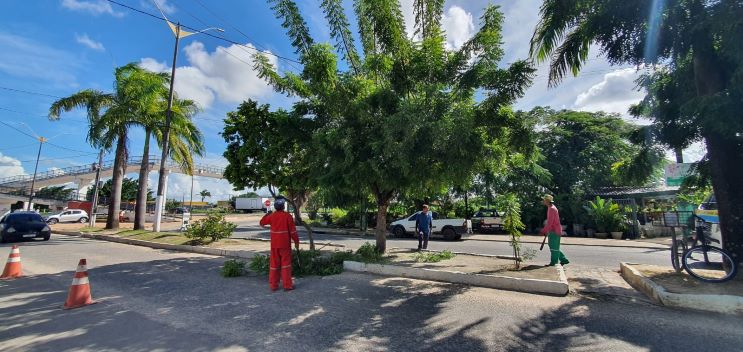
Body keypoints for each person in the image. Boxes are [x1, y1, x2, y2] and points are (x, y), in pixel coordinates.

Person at [259, 197, 299, 291]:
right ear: (283, 206)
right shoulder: (288, 216)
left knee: (274, 265)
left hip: (274, 245)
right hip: (285, 245)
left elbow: (261, 223)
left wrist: (266, 215)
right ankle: (287, 285)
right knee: (286, 265)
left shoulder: (272, 216)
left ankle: (273, 286)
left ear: (275, 206)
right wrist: (296, 242)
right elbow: (293, 232)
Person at [540, 195, 569, 266]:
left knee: (554, 247)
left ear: (547, 201)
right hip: (553, 230)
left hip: (555, 231)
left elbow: (550, 222)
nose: (543, 201)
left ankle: (554, 262)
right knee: (553, 246)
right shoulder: (551, 208)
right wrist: (546, 230)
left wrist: (544, 230)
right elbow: (550, 222)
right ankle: (564, 259)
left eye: (544, 200)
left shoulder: (552, 209)